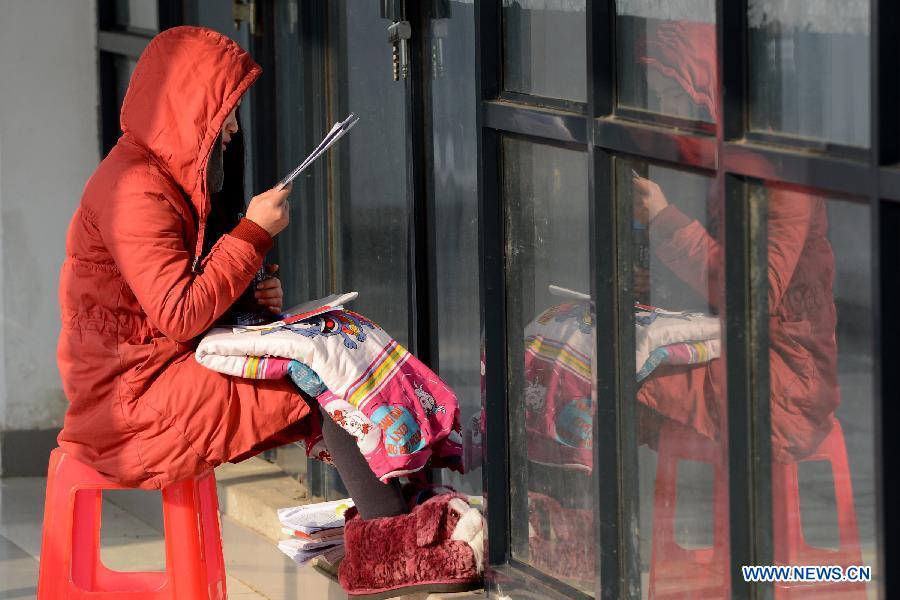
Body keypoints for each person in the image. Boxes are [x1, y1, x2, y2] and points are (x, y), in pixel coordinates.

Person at [56, 26, 481, 598]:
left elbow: (175, 302)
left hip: (158, 373)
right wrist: (252, 234)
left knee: (336, 343)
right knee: (318, 373)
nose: (232, 129)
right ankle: (387, 549)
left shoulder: (164, 179)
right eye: (223, 114)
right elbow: (179, 314)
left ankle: (403, 519)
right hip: (128, 404)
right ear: (187, 111)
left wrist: (249, 296)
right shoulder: (135, 190)